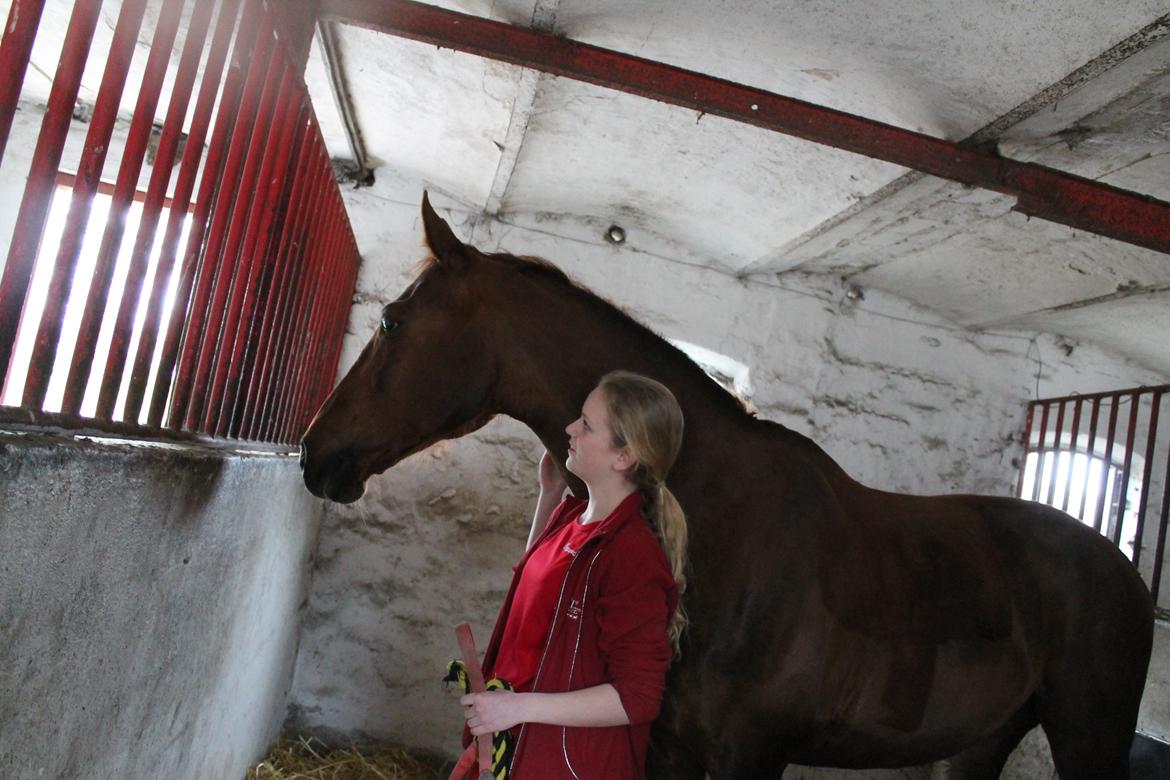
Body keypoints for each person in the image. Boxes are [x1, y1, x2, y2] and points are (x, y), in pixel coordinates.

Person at [458, 370, 689, 779]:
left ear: (624, 457)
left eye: (586, 424)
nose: (569, 428)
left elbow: (637, 698)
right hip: (510, 743)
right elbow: (534, 595)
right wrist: (547, 497)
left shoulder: (631, 556)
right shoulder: (570, 514)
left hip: (558, 764)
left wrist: (519, 707)